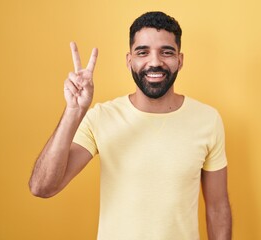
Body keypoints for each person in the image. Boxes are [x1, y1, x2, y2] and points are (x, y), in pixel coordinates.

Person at [29, 11, 232, 240]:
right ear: (129, 60)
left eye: (167, 52)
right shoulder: (101, 117)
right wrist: (73, 112)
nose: (155, 62)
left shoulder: (207, 119)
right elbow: (43, 187)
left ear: (180, 60)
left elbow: (217, 208)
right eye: (142, 52)